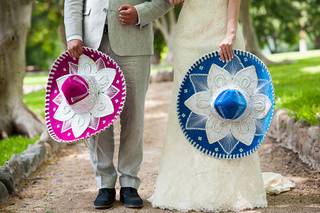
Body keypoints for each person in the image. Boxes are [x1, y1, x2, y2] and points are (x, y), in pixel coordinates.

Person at [150, 0, 268, 211]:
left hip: (222, 30)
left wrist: (230, 31)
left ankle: (231, 188)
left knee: (229, 108)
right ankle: (191, 186)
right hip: (188, 34)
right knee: (190, 113)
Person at [64, 0, 171, 209]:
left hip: (134, 41)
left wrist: (140, 13)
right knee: (97, 115)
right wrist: (73, 34)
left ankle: (130, 182)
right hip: (90, 44)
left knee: (134, 114)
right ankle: (105, 183)